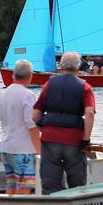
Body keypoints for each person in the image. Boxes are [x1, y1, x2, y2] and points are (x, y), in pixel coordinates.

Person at [33, 51, 96, 194]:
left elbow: (35, 114)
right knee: (77, 184)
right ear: (79, 67)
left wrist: (44, 127)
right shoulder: (85, 87)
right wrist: (86, 140)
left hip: (49, 140)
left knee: (50, 184)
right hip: (74, 141)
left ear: (61, 66)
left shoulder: (49, 85)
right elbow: (89, 114)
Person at [0, 59, 41, 195]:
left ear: (13, 74)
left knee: (11, 186)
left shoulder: (3, 94)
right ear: (30, 76)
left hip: (6, 148)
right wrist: (39, 150)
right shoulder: (27, 95)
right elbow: (32, 125)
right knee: (24, 187)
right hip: (22, 151)